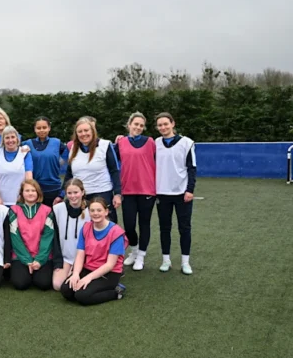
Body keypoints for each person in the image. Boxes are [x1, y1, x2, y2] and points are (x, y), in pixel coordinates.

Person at [61, 198, 127, 306]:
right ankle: (89, 285)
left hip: (108, 273)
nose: (95, 213)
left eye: (99, 210)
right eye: (92, 210)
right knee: (66, 290)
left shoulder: (116, 232)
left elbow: (110, 264)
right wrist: (75, 273)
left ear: (106, 212)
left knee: (82, 296)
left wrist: (88, 278)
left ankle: (116, 291)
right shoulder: (86, 227)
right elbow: (80, 254)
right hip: (89, 267)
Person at [154, 112, 196, 275]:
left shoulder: (187, 143)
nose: (163, 127)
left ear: (173, 123)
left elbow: (192, 168)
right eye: (160, 125)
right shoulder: (155, 143)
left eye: (166, 124)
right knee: (165, 228)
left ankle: (185, 262)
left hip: (182, 193)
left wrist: (190, 190)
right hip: (162, 193)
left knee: (184, 228)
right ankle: (166, 260)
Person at [114, 112, 156, 271]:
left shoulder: (151, 142)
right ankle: (134, 249)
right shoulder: (121, 142)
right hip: (127, 191)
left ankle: (141, 256)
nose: (138, 127)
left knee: (144, 224)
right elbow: (111, 162)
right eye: (135, 124)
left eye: (141, 125)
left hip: (147, 190)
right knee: (129, 225)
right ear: (129, 124)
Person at [62, 117, 122, 223]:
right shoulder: (73, 149)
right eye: (80, 131)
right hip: (80, 196)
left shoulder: (105, 145)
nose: (83, 134)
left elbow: (114, 171)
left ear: (92, 131)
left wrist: (117, 194)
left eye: (86, 130)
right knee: (84, 228)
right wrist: (61, 194)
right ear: (76, 134)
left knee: (106, 227)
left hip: (103, 193)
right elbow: (69, 174)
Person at [9, 179, 55, 291]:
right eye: (27, 190)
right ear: (22, 193)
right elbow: (15, 237)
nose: (30, 193)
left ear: (38, 193)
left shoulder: (47, 210)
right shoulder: (14, 210)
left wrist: (39, 260)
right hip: (20, 256)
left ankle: (37, 270)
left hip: (42, 256)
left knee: (43, 284)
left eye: (33, 190)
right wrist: (27, 260)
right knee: (20, 284)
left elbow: (47, 237)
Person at [51, 178, 90, 291]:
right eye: (69, 193)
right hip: (65, 258)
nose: (73, 196)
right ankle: (68, 271)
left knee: (74, 286)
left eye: (76, 192)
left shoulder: (91, 209)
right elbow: (55, 237)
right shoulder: (57, 209)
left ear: (82, 192)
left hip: (84, 258)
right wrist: (58, 262)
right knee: (57, 285)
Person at [24, 116, 68, 207]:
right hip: (35, 189)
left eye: (44, 127)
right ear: (34, 129)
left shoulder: (57, 142)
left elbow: (69, 158)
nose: (41, 130)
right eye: (38, 128)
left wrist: (58, 165)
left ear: (49, 128)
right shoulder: (27, 144)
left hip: (54, 188)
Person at [0, 126, 33, 206]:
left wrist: (23, 195)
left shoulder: (25, 153)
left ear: (17, 138)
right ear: (3, 140)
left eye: (13, 137)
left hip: (20, 200)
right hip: (1, 202)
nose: (10, 140)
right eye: (7, 138)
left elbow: (29, 177)